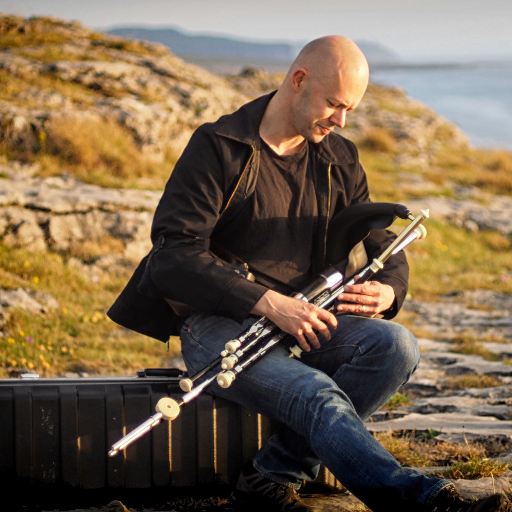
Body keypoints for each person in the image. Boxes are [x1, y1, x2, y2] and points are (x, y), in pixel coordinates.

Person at [108, 36, 510, 512]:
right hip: (218, 327)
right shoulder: (220, 147)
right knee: (316, 393)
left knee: (398, 345)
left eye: (350, 110)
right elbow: (173, 254)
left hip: (307, 324)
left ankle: (270, 475)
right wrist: (267, 303)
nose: (341, 120)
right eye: (334, 104)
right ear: (298, 81)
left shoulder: (340, 157)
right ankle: (420, 500)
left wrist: (388, 291)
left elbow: (382, 241)